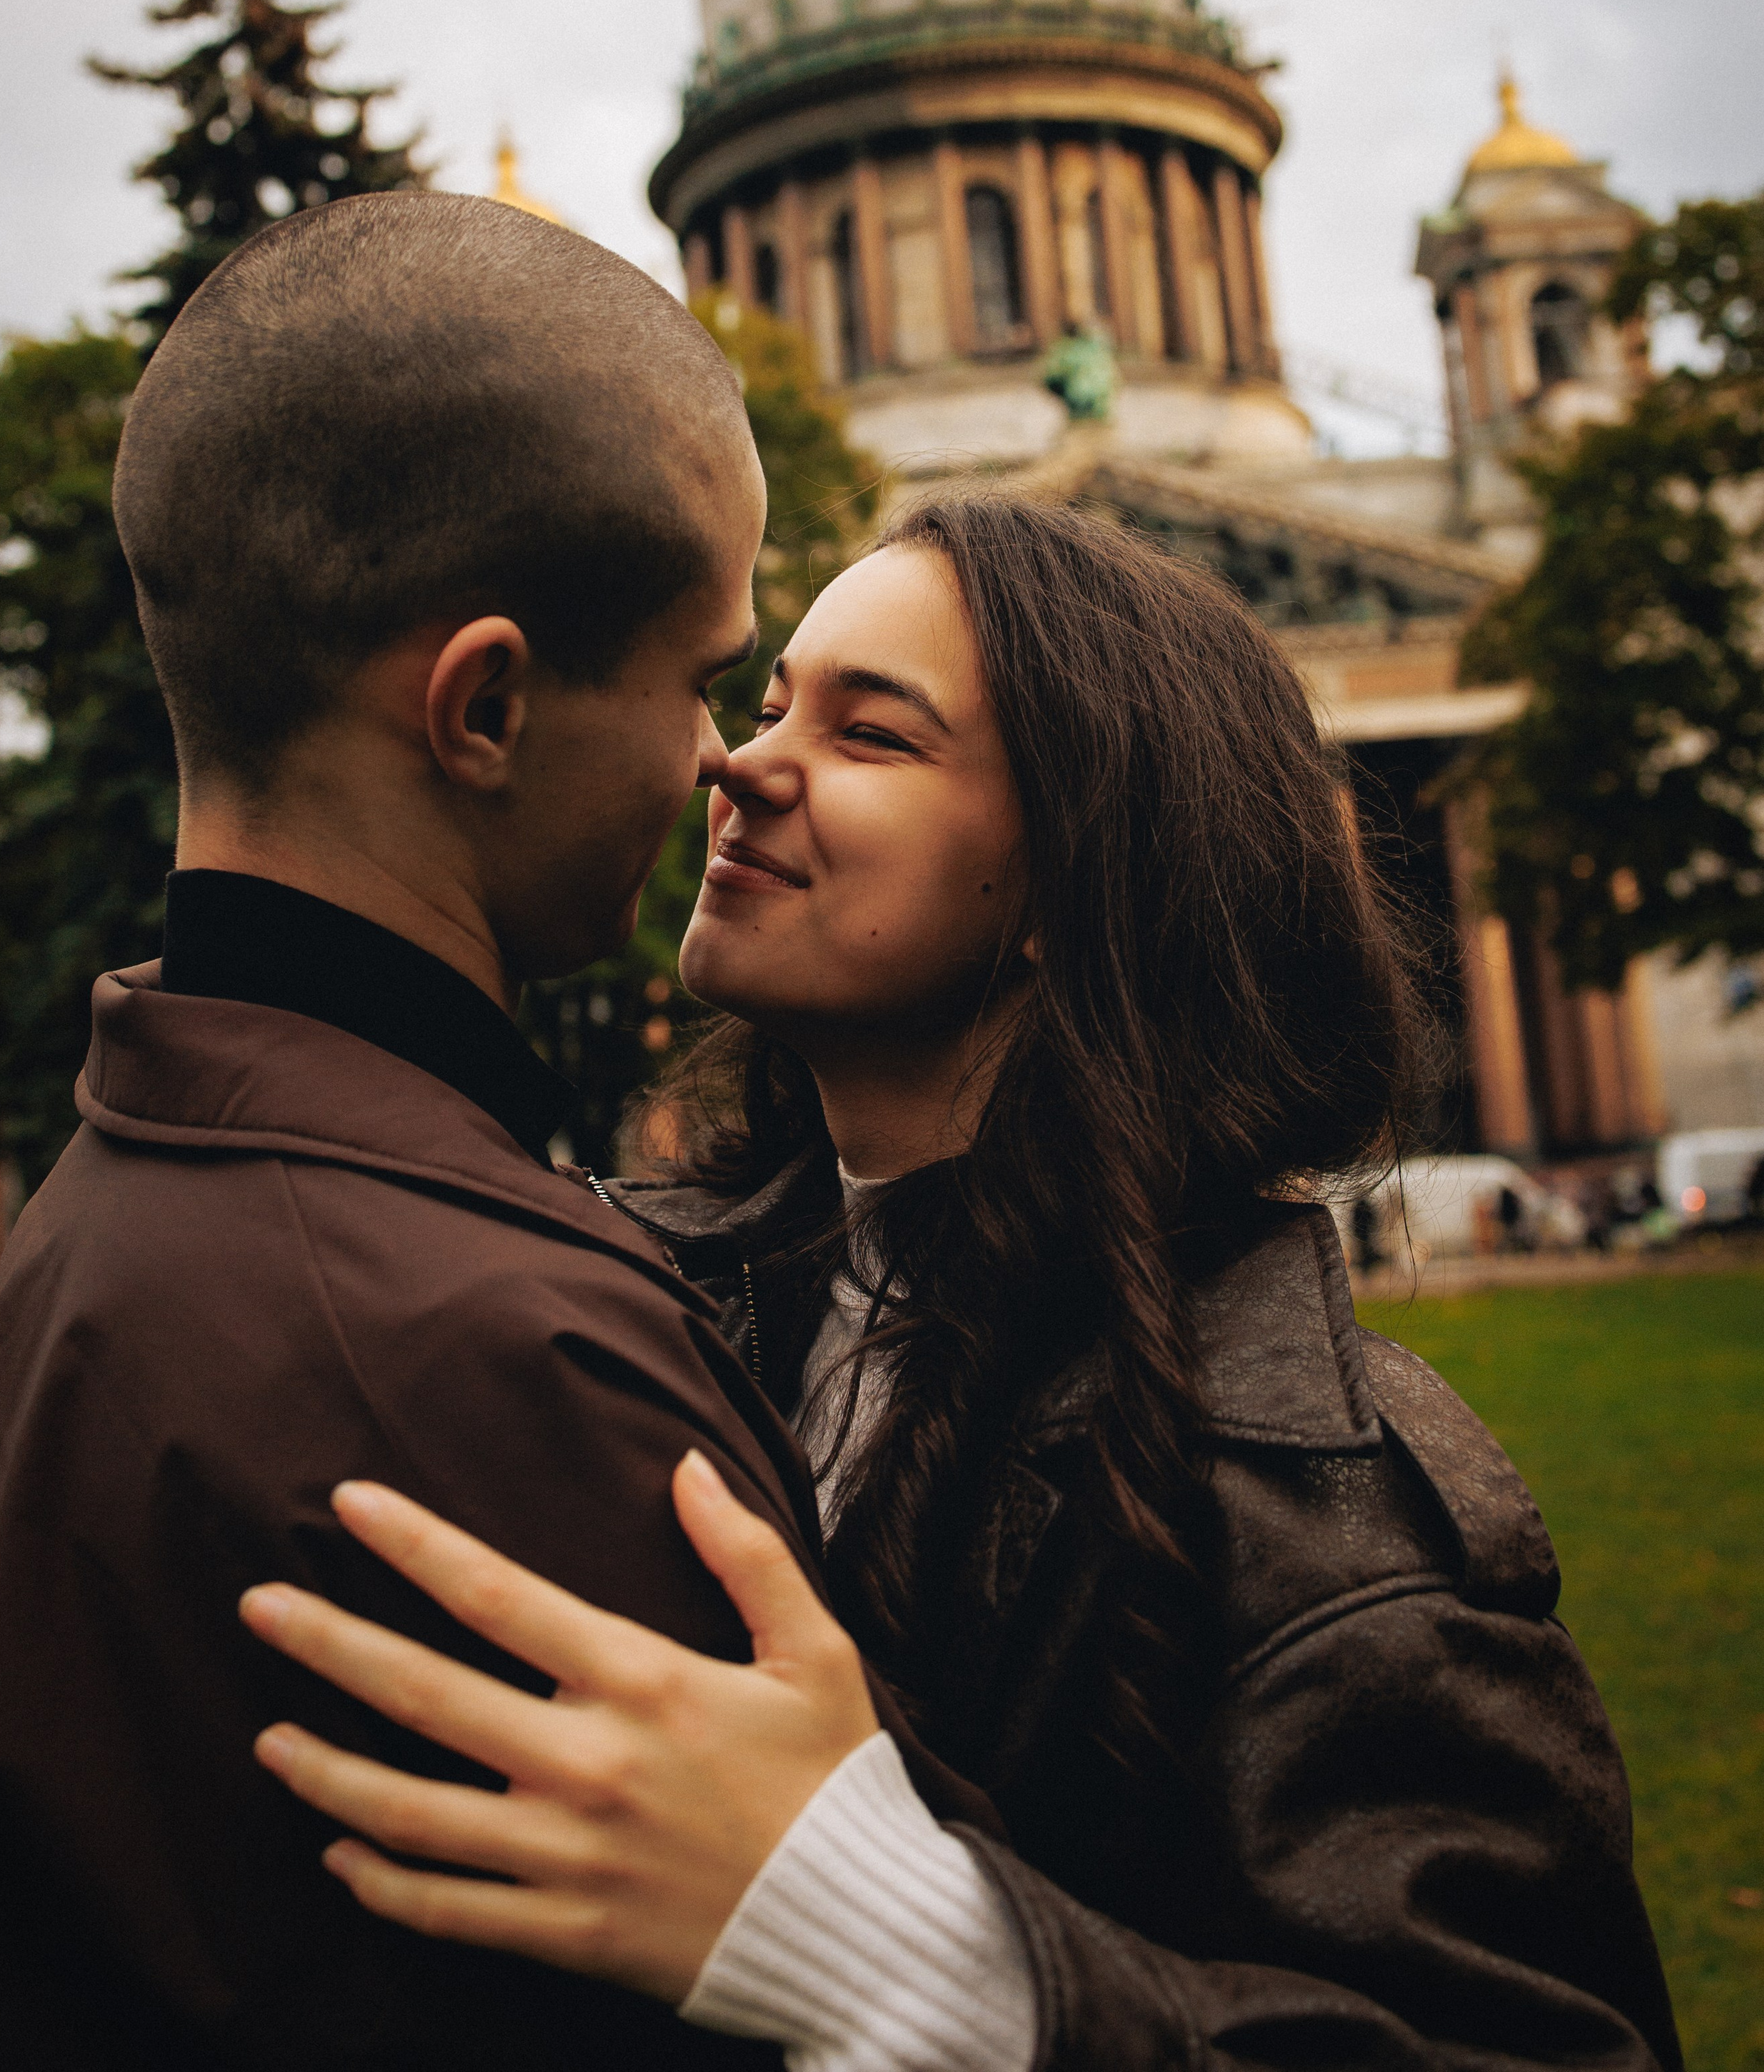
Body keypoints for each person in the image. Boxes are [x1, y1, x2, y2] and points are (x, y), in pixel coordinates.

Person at [244, 493, 1681, 2072]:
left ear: (1075, 885)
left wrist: (907, 1954)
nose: (739, 761)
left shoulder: (1328, 1523)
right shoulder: (621, 1299)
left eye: (870, 735)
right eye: (774, 697)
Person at [0, 191, 987, 2071]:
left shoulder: (98, 1224)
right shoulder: (504, 1360)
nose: (720, 764)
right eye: (696, 679)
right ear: (485, 706)